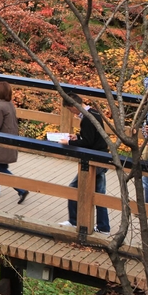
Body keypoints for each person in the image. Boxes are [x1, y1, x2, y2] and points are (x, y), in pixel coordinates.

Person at [58, 94, 110, 234]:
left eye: (70, 110)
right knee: (99, 193)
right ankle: (103, 226)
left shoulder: (87, 119)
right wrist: (78, 136)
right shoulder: (92, 113)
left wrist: (69, 142)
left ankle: (74, 221)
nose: (72, 113)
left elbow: (87, 142)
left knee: (74, 188)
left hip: (95, 160)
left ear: (74, 106)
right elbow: (90, 137)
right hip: (102, 157)